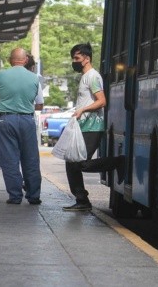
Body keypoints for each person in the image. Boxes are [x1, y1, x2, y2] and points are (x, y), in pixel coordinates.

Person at [63, 43, 124, 212]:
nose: (74, 61)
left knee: (81, 163)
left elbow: (102, 101)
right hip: (83, 126)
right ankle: (81, 199)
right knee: (72, 162)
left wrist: (82, 110)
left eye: (77, 58)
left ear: (87, 58)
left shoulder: (92, 76)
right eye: (73, 58)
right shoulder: (85, 77)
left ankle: (118, 162)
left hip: (92, 126)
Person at [0, 48, 43, 205]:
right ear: (26, 60)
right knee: (31, 159)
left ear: (10, 60)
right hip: (27, 120)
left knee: (9, 160)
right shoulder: (34, 78)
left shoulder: (0, 75)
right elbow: (39, 103)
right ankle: (33, 196)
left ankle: (15, 196)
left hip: (5, 120)